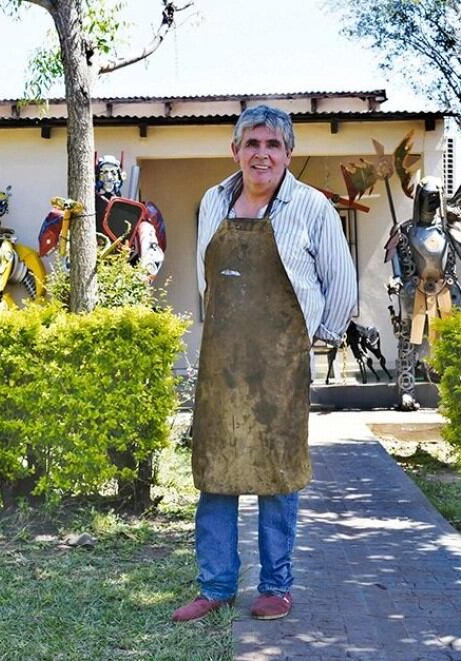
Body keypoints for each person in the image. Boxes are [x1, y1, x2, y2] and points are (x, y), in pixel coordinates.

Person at [172, 105, 357, 623]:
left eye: (273, 145)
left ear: (288, 154)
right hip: (222, 360)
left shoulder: (313, 207)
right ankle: (216, 586)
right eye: (252, 144)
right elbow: (210, 275)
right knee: (214, 473)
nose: (261, 154)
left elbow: (341, 281)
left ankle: (276, 585)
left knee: (278, 473)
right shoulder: (213, 200)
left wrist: (316, 339)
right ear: (235, 151)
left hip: (281, 362)